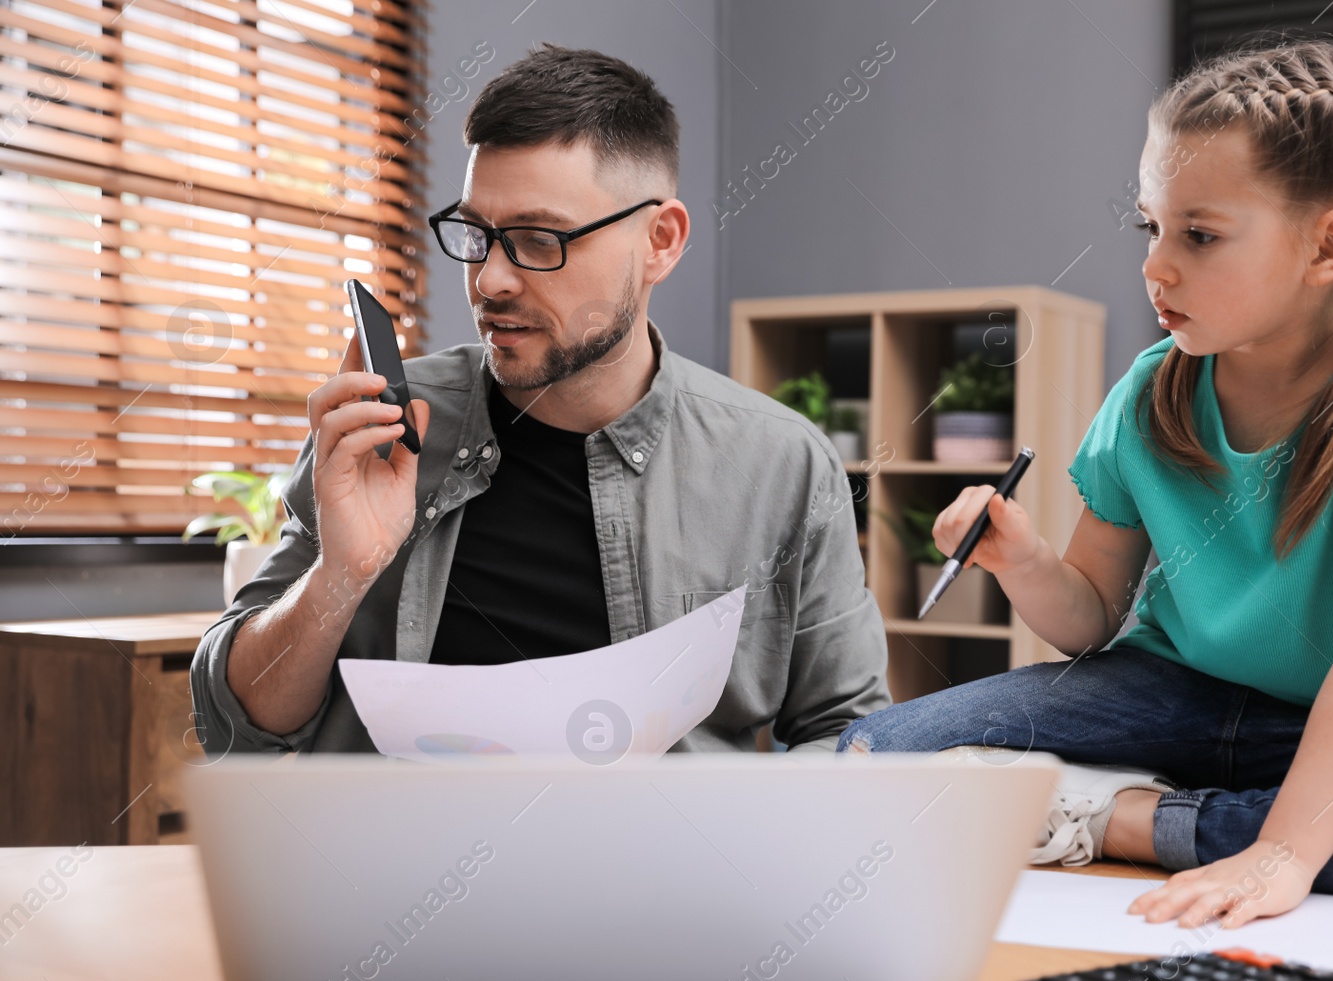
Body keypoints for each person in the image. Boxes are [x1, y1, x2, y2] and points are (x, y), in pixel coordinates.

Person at [837, 36, 1333, 925]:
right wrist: (1024, 560)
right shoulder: (1148, 389)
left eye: (1200, 235)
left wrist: (1286, 854)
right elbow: (1089, 619)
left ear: (1329, 246)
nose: (1156, 266)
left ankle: (1124, 818)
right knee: (868, 755)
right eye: (1152, 227)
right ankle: (1169, 812)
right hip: (1163, 702)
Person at [192, 45, 888, 755]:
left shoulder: (782, 466)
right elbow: (233, 722)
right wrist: (339, 575)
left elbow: (845, 734)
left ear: (661, 241)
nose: (490, 279)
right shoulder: (381, 428)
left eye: (536, 239)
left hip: (667, 864)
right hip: (397, 861)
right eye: (478, 235)